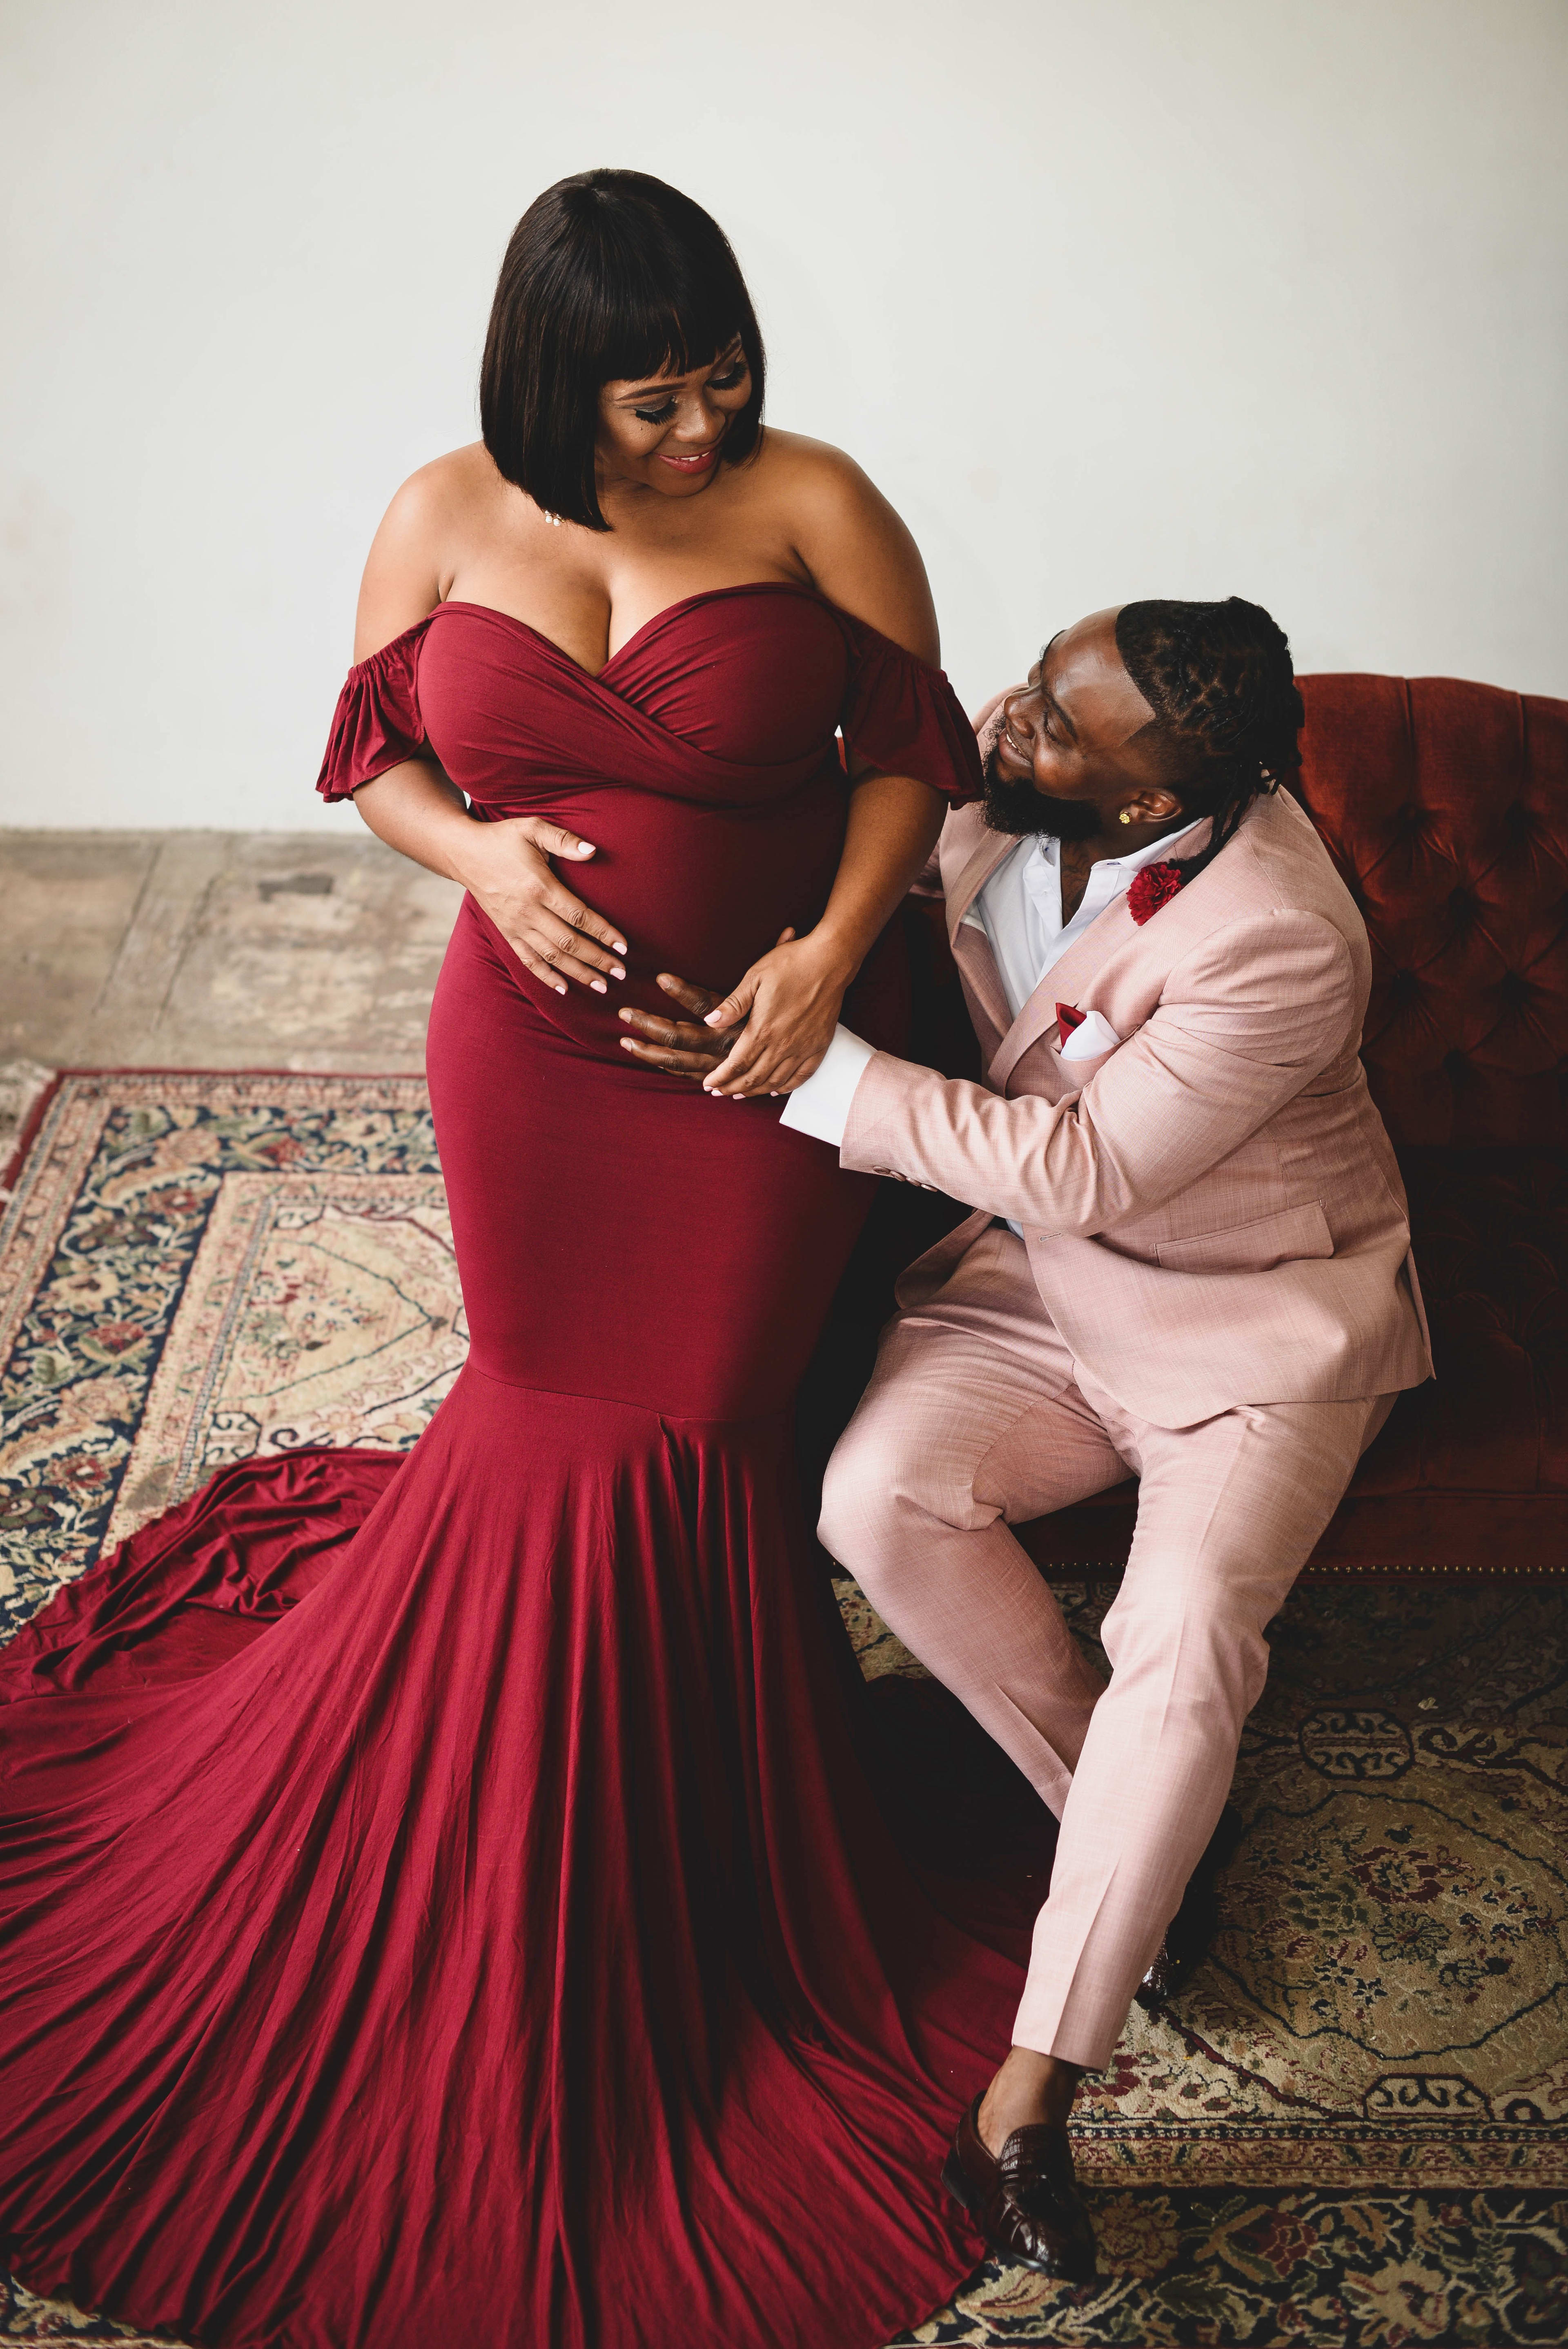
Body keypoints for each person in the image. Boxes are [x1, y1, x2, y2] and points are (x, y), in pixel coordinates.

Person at [0, 172, 1035, 2349]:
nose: (699, 427)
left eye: (725, 377)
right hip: (529, 1069)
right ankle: (487, 1849)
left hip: (757, 1067)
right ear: (552, 382)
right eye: (655, 396)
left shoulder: (819, 503)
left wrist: (825, 970)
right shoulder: (440, 513)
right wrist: (485, 856)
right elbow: (373, 755)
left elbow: (905, 762)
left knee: (689, 1430)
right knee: (544, 1412)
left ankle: (699, 1893)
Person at [624, 595, 1432, 2278]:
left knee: (1189, 1638)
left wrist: (809, 1069)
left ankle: (1029, 2094)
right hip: (1034, 1291)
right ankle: (1137, 1825)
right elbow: (860, 863)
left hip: (1248, 1321)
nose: (1015, 719)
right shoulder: (987, 785)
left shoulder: (1282, 933)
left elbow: (1083, 1169)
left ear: (1147, 807)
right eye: (1043, 678)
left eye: (1062, 725)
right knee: (875, 1495)